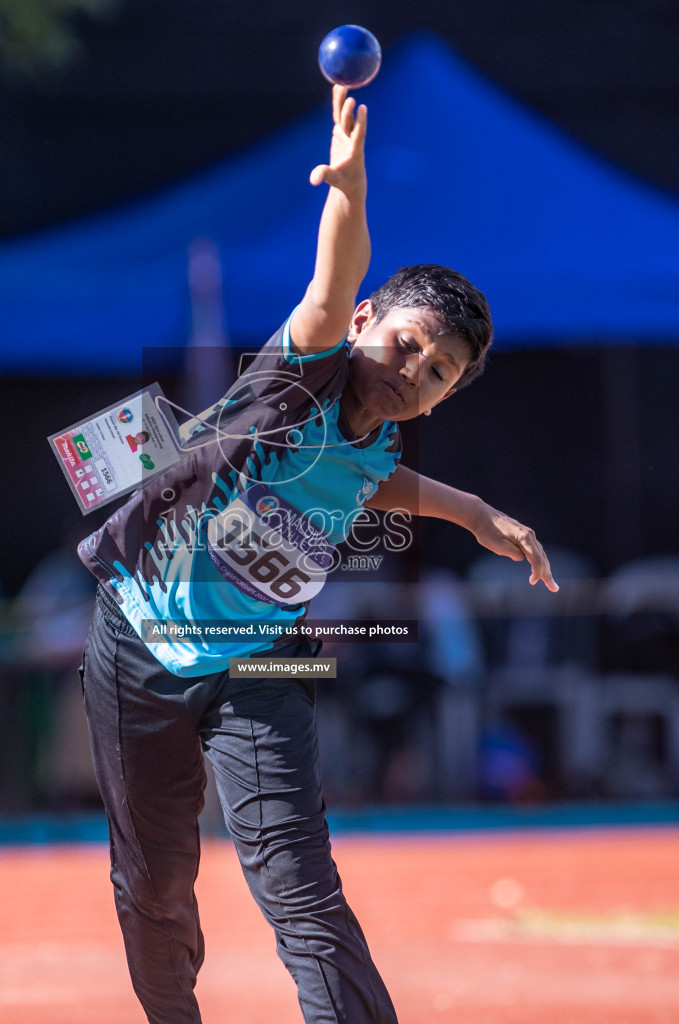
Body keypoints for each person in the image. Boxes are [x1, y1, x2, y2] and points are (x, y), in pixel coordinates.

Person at [74, 85, 556, 1024]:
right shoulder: (305, 371)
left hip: (260, 659)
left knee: (302, 885)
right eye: (408, 343)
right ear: (371, 320)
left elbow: (373, 482)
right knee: (157, 885)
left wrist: (473, 514)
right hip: (138, 644)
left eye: (438, 373)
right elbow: (333, 280)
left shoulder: (377, 438)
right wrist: (347, 190)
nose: (413, 370)